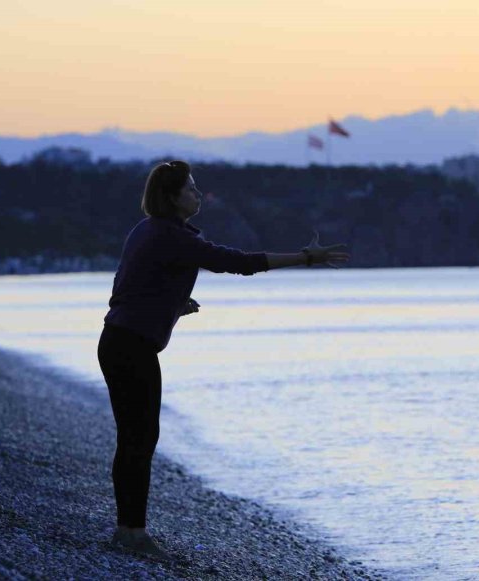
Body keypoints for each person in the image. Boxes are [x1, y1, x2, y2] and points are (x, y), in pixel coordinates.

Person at [96, 160, 350, 561]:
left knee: (135, 439)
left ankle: (127, 530)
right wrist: (306, 258)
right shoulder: (170, 236)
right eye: (191, 188)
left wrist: (173, 304)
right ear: (172, 196)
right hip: (131, 346)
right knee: (139, 440)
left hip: (118, 341)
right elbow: (240, 262)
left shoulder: (149, 231)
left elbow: (125, 289)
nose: (197, 194)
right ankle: (133, 533)